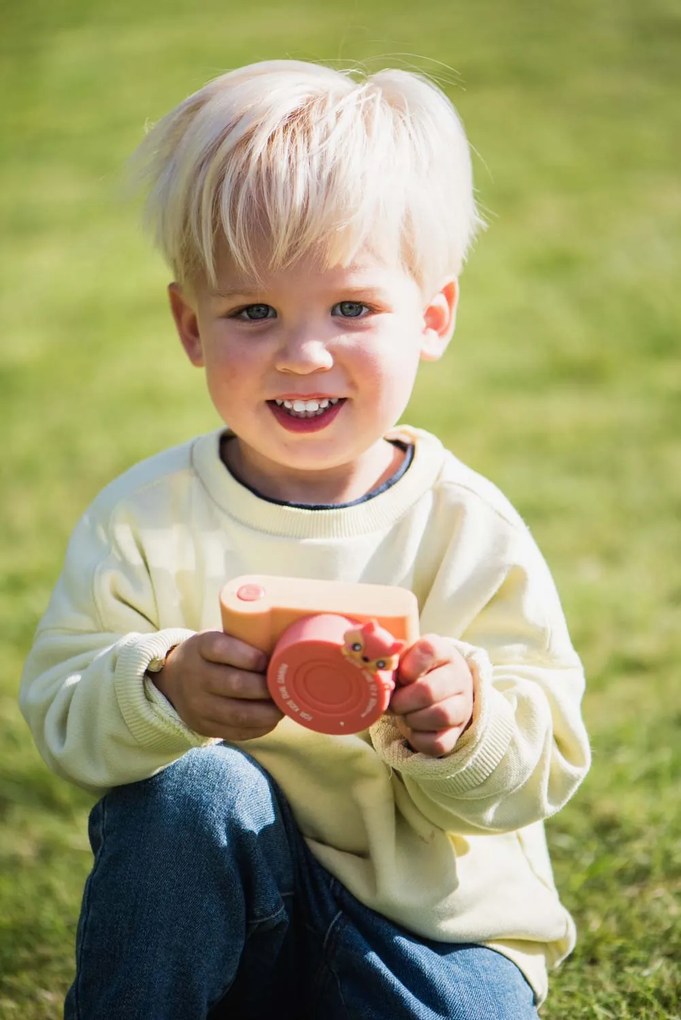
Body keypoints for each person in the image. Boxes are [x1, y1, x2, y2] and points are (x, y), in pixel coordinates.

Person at [20, 59, 590, 1019]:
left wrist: (464, 725)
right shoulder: (145, 517)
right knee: (185, 792)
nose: (303, 351)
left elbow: (544, 760)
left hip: (431, 927)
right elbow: (64, 712)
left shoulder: (463, 526)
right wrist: (160, 686)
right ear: (189, 324)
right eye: (253, 311)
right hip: (226, 919)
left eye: (353, 308)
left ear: (433, 316)